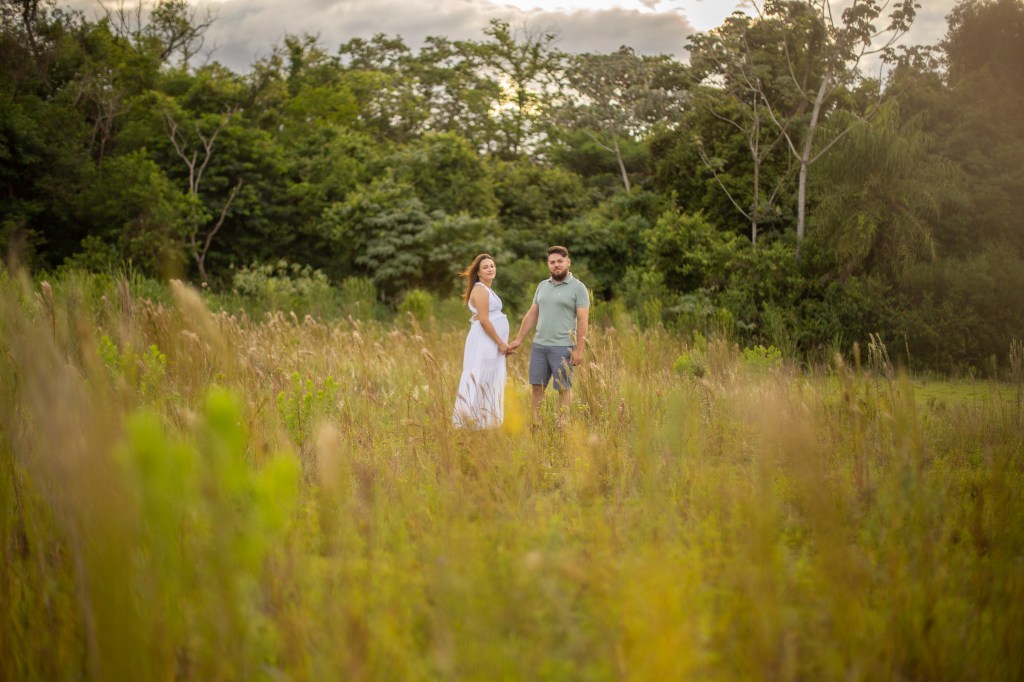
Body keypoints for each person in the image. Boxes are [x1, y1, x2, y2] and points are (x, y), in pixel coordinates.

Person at [508, 245, 589, 426]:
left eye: (560, 261)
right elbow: (532, 315)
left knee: (563, 389)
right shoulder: (542, 286)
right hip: (539, 346)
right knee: (537, 387)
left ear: (568, 262)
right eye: (552, 262)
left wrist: (579, 349)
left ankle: (562, 426)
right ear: (548, 265)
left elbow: (583, 321)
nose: (556, 265)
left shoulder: (578, 288)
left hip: (563, 346)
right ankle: (536, 426)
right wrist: (519, 339)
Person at [453, 254, 511, 429]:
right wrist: (501, 343)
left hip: (489, 341)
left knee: (490, 379)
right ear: (478, 272)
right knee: (480, 376)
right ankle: (470, 422)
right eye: (485, 267)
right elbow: (484, 320)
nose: (490, 269)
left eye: (492, 265)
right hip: (485, 341)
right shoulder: (479, 289)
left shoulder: (487, 289)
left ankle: (486, 422)